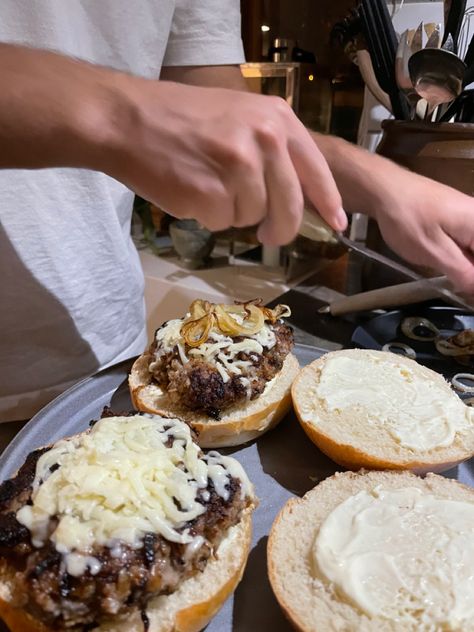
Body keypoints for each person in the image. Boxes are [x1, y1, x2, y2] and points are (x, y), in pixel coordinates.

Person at [1, 0, 474, 427]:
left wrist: (386, 185)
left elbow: (242, 132)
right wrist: (116, 115)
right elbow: (156, 118)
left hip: (107, 353)